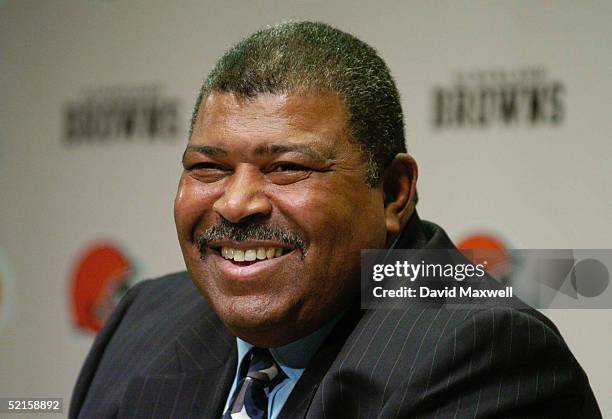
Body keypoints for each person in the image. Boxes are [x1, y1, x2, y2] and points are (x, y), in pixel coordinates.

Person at [70, 21, 601, 418]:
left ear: (393, 193)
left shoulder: (484, 354)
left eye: (286, 168)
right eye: (208, 168)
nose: (235, 204)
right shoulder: (142, 319)